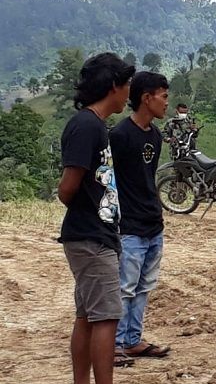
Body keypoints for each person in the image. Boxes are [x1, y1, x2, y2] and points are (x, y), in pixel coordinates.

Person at [57, 52, 135, 383]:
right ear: (114, 86)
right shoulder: (87, 126)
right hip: (90, 236)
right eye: (127, 84)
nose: (128, 91)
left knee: (88, 316)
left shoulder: (94, 125)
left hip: (93, 234)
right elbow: (67, 187)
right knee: (106, 318)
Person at [110, 71, 172, 361]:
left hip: (152, 224)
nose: (166, 103)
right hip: (130, 226)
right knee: (125, 287)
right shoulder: (120, 135)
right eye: (163, 96)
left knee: (144, 286)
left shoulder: (155, 135)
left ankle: (132, 338)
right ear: (147, 99)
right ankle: (116, 343)